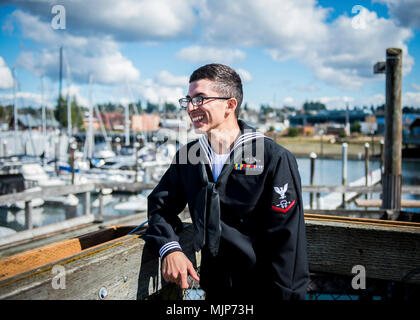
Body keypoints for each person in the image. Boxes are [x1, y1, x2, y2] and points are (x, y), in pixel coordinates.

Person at [144, 63, 309, 300]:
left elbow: (288, 243)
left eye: (200, 98)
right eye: (188, 99)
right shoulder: (188, 158)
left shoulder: (274, 158)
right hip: (213, 291)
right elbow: (160, 208)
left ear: (230, 105)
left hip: (263, 293)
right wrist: (170, 248)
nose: (191, 107)